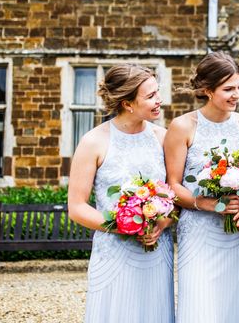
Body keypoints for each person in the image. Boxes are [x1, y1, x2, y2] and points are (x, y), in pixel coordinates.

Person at [68, 64, 174, 323]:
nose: (159, 100)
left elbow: (174, 193)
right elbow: (77, 207)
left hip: (157, 250)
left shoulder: (163, 137)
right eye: (150, 96)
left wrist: (162, 222)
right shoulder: (94, 141)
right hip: (114, 250)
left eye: (157, 92)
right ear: (127, 103)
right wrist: (125, 226)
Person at [165, 51, 239, 323]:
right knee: (200, 304)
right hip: (199, 232)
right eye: (228, 89)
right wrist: (206, 204)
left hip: (238, 233)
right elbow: (173, 183)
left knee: (237, 304)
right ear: (207, 90)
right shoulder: (182, 127)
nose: (237, 94)